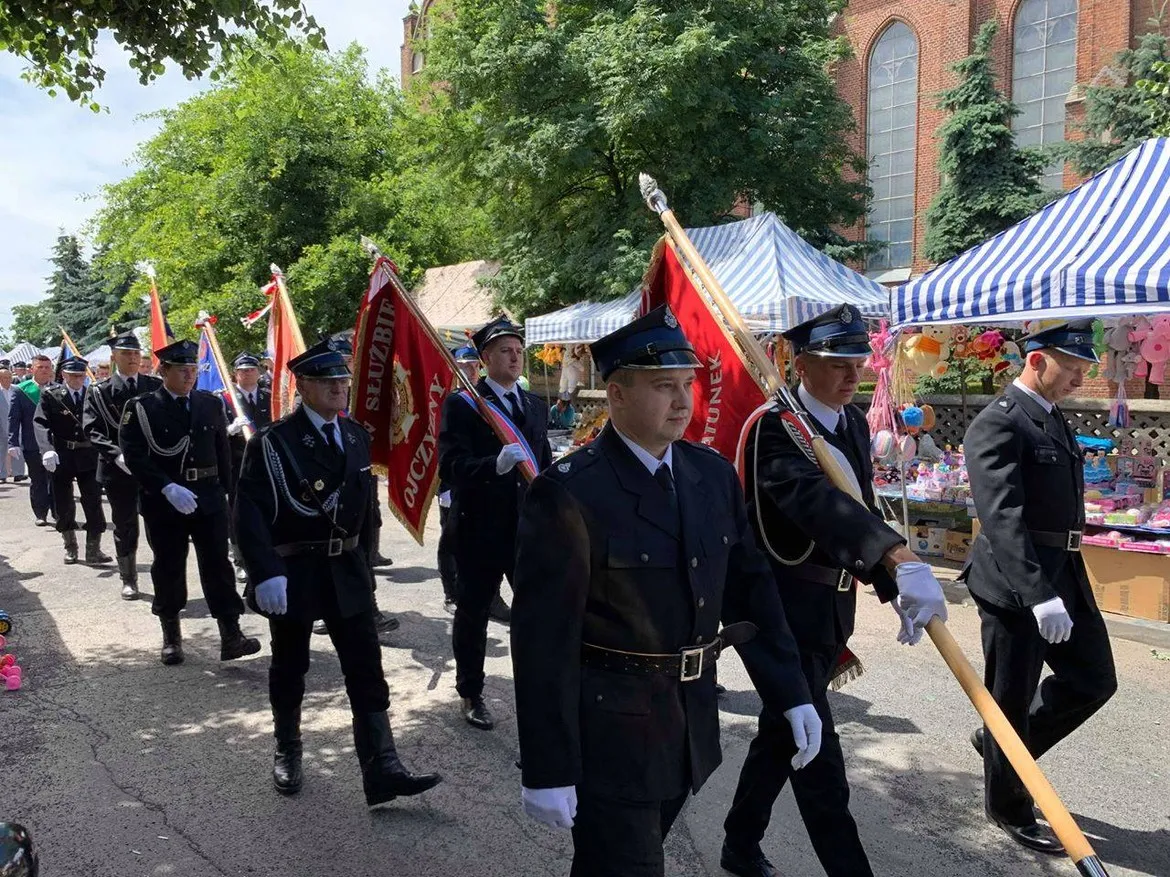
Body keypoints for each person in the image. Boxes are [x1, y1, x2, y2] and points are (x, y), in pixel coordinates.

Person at [511, 306, 820, 877]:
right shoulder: (572, 494)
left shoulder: (709, 475)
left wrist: (791, 691)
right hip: (611, 736)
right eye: (663, 387)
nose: (683, 401)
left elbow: (750, 589)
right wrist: (547, 765)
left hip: (686, 726)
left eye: (688, 384)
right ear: (618, 393)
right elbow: (543, 643)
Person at [722, 304, 948, 877]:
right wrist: (897, 554)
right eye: (837, 364)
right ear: (800, 363)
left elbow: (859, 510)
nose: (853, 375)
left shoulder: (847, 424)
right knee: (819, 755)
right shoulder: (776, 428)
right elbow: (818, 507)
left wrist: (889, 580)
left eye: (856, 362)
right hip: (783, 614)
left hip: (831, 608)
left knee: (784, 732)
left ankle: (738, 844)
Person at [234, 338, 442, 805]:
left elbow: (362, 510)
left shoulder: (353, 435)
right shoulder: (274, 443)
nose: (339, 389)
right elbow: (248, 512)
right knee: (291, 666)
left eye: (342, 381)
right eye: (328, 382)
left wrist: (366, 566)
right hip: (296, 569)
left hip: (346, 568)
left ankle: (382, 765)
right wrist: (264, 571)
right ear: (302, 386)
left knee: (366, 666)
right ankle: (287, 747)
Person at [963, 320, 1117, 855]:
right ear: (1036, 360)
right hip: (1016, 584)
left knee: (1094, 680)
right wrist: (1036, 593)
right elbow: (1001, 517)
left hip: (1062, 576)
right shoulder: (999, 423)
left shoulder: (1050, 417)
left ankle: (1001, 748)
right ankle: (1009, 804)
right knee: (1010, 697)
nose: (1079, 377)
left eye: (1082, 368)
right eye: (1072, 366)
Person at [438, 317, 552, 730]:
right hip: (480, 528)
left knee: (538, 610)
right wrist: (494, 465)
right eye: (505, 350)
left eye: (519, 350)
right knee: (474, 613)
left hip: (526, 530)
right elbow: (450, 466)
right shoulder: (465, 404)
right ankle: (471, 691)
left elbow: (544, 466)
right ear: (485, 359)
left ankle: (538, 685)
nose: (515, 356)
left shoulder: (534, 404)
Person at [119, 338, 260, 666]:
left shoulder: (208, 403)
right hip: (165, 501)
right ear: (164, 371)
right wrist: (166, 487)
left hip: (209, 495)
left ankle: (231, 634)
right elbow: (135, 454)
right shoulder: (143, 407)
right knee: (168, 566)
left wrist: (229, 490)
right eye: (182, 370)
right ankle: (171, 635)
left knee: (218, 565)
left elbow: (221, 450)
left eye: (193, 369)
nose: (189, 376)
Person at [83, 332, 163, 600]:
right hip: (117, 470)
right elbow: (92, 429)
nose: (132, 358)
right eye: (126, 354)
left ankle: (164, 575)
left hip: (151, 468)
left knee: (158, 524)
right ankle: (128, 578)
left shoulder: (154, 386)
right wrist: (117, 454)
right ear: (114, 357)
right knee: (125, 524)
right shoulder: (100, 391)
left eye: (135, 353)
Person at [35, 355, 111, 565]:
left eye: (81, 376)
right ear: (64, 375)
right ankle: (70, 546)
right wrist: (47, 450)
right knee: (63, 502)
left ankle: (93, 549)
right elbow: (40, 423)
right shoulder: (51, 395)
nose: (78, 380)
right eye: (73, 376)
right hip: (63, 454)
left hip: (88, 455)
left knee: (93, 501)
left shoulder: (92, 395)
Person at [436, 345, 482, 609]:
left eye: (475, 366)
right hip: (452, 482)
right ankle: (451, 592)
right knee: (451, 539)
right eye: (466, 366)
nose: (472, 371)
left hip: (478, 481)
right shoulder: (448, 400)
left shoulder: (482, 398)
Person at [221, 352, 272, 583]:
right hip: (237, 463)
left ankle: (266, 553)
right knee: (238, 513)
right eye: (242, 370)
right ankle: (240, 560)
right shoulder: (225, 399)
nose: (248, 373)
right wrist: (229, 429)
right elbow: (214, 432)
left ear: (259, 373)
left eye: (252, 369)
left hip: (266, 463)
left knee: (267, 510)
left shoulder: (268, 397)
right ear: (235, 374)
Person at [7, 355, 55, 524]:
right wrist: (12, 443)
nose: (44, 370)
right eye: (40, 367)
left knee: (57, 479)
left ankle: (58, 512)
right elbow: (14, 418)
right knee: (38, 479)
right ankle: (41, 513)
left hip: (55, 443)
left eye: (47, 367)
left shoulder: (58, 389)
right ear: (32, 369)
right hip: (32, 442)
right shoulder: (22, 390)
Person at [0, 361, 12, 482]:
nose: (7, 380)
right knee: (2, 449)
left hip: (14, 423)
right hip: (1, 424)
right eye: (4, 378)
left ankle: (18, 473)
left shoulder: (16, 390)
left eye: (9, 377)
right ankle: (2, 474)